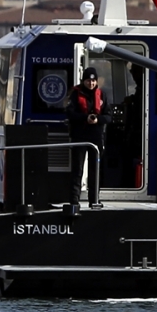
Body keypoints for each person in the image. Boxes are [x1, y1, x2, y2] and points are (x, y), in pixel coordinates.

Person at [66, 66, 111, 211]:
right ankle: (74, 201)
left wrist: (98, 119)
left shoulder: (102, 95)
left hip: (96, 138)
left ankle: (94, 200)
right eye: (88, 81)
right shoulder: (75, 94)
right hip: (80, 136)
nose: (90, 83)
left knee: (95, 170)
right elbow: (70, 114)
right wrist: (86, 118)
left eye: (93, 81)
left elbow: (109, 116)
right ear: (83, 81)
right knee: (77, 169)